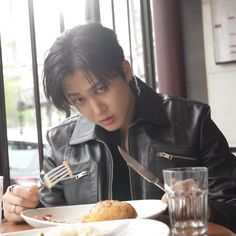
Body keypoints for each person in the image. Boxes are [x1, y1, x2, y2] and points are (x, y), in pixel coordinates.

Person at [3, 23, 236, 232]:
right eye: (79, 100)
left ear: (125, 71)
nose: (97, 109)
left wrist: (201, 207)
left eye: (101, 88)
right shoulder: (62, 142)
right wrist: (18, 207)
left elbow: (232, 207)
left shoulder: (193, 122)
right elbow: (48, 218)